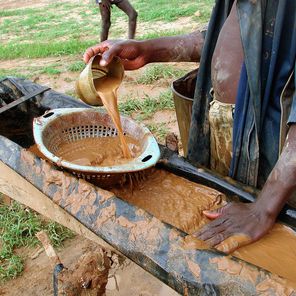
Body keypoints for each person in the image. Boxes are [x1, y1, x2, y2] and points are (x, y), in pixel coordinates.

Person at [84, 0, 296, 253]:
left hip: (280, 155)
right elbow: (225, 39)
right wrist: (148, 50)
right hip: (234, 136)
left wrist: (264, 208)